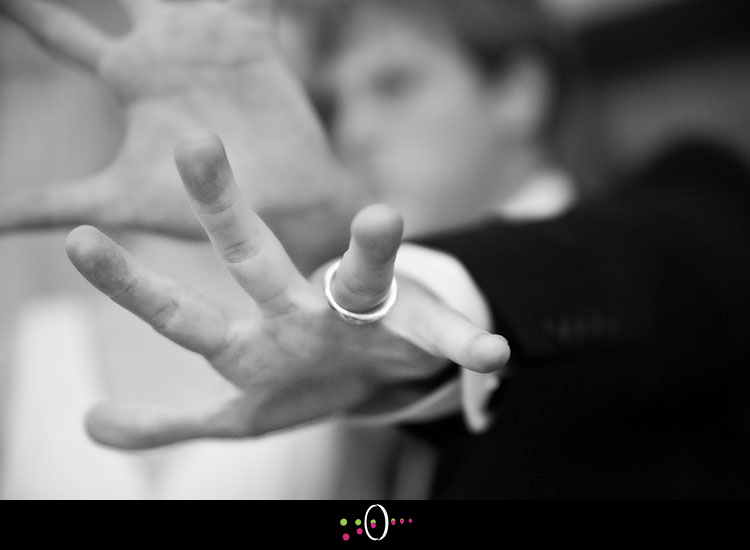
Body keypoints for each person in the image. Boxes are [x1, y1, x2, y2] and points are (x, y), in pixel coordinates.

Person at [3, 0, 750, 499]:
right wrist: (325, 240)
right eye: (334, 105)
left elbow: (651, 264)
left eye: (395, 84)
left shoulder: (693, 204)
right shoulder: (336, 353)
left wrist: (412, 291)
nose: (355, 131)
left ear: (517, 90)